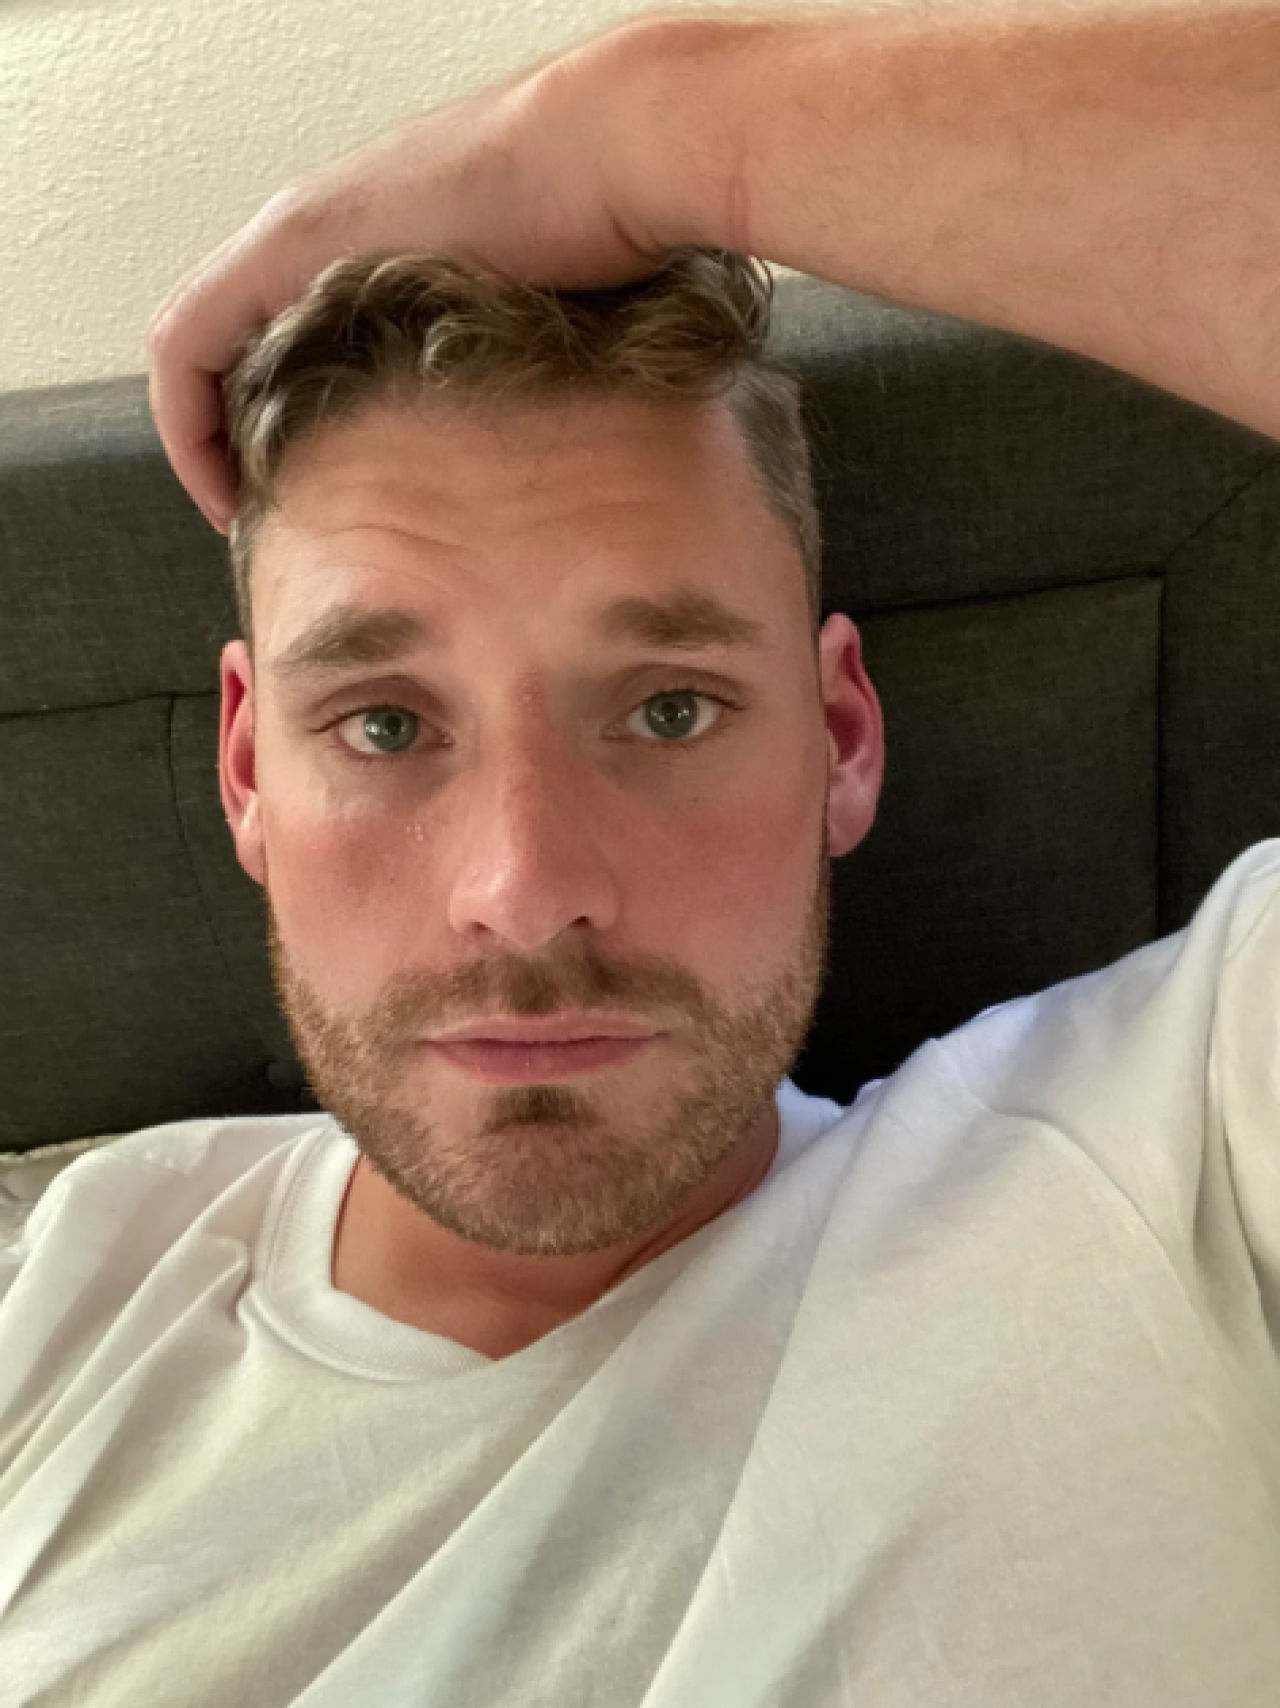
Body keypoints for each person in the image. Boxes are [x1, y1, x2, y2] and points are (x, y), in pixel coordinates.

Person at [5, 3, 1280, 1704]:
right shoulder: (75, 1295)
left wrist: (644, 125)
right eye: (382, 725)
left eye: (669, 709)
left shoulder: (1175, 1163)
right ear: (249, 769)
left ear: (841, 738)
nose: (526, 891)